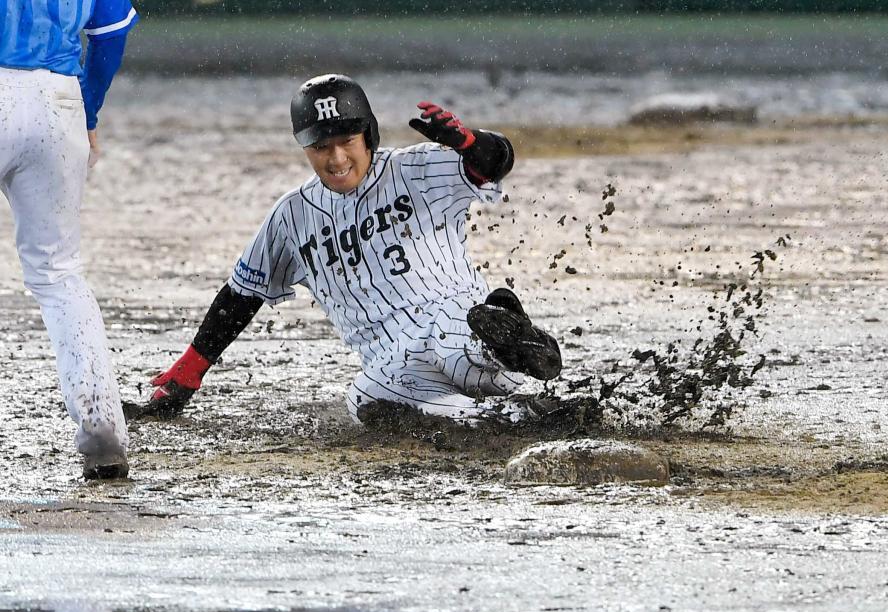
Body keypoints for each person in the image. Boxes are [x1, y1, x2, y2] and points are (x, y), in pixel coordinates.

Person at [133, 73, 561, 426]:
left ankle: (508, 342)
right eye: (321, 146)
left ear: (368, 135)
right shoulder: (292, 216)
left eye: (347, 141)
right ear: (305, 148)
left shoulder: (415, 168)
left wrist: (470, 144)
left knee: (455, 341)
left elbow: (496, 162)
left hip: (453, 320)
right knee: (365, 398)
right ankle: (518, 417)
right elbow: (240, 297)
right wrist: (188, 373)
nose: (336, 158)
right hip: (393, 360)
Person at [1, 0, 139, 479]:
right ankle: (101, 423)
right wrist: (88, 112)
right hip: (58, 101)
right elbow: (112, 32)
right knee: (59, 275)